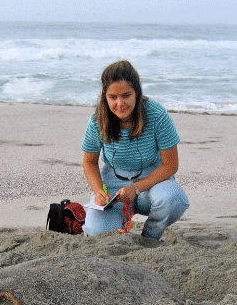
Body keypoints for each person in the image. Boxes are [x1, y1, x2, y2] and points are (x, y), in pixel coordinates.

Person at [81, 60, 189, 239]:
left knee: (173, 199)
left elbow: (170, 165)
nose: (120, 103)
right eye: (113, 97)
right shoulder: (97, 120)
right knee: (95, 231)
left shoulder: (157, 114)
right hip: (114, 182)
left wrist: (135, 188)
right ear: (105, 96)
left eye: (126, 95)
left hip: (152, 179)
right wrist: (99, 190)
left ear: (137, 93)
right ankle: (118, 222)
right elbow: (89, 162)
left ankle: (149, 237)